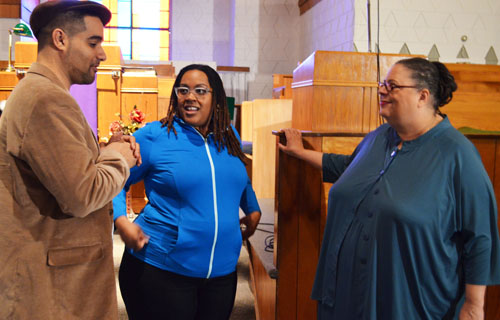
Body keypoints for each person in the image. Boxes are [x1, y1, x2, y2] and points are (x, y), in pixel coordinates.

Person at [279, 57, 500, 320]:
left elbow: (480, 237)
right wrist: (299, 152)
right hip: (346, 294)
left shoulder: (458, 155)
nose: (381, 90)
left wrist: (474, 306)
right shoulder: (379, 137)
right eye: (382, 84)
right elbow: (350, 169)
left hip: (408, 303)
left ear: (422, 96)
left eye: (392, 85)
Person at [0, 1, 141, 319]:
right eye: (93, 42)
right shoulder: (46, 99)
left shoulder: (39, 93)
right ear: (60, 40)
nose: (102, 54)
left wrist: (104, 153)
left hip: (53, 278)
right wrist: (118, 158)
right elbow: (82, 195)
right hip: (57, 289)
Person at [114, 64, 262, 320]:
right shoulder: (156, 136)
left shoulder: (230, 136)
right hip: (162, 268)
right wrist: (121, 221)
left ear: (215, 97)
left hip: (222, 272)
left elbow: (240, 177)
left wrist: (253, 208)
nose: (190, 96)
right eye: (183, 90)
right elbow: (117, 177)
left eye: (200, 90)